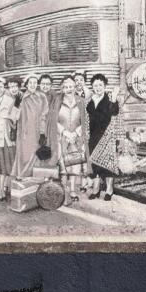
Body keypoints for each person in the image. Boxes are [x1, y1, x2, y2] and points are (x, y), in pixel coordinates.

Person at [86, 73, 120, 200]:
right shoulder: (90, 100)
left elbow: (115, 112)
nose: (98, 87)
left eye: (100, 85)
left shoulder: (110, 98)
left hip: (107, 135)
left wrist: (114, 98)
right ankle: (96, 189)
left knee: (107, 164)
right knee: (94, 163)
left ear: (105, 86)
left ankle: (109, 190)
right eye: (95, 85)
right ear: (92, 87)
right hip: (93, 135)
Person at [11, 74, 52, 179]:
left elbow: (44, 115)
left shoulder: (41, 97)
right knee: (25, 155)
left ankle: (37, 178)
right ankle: (22, 175)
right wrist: (16, 105)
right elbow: (14, 118)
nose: (33, 85)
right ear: (26, 84)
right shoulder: (21, 97)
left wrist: (42, 132)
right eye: (31, 83)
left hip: (38, 131)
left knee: (37, 154)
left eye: (35, 82)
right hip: (25, 132)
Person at [55, 75, 88, 204]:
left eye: (71, 86)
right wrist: (64, 132)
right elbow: (53, 120)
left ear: (75, 87)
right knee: (63, 167)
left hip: (76, 138)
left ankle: (73, 190)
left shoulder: (81, 101)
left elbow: (85, 121)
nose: (69, 89)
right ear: (62, 89)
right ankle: (63, 191)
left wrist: (75, 133)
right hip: (62, 138)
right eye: (66, 87)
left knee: (75, 165)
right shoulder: (57, 102)